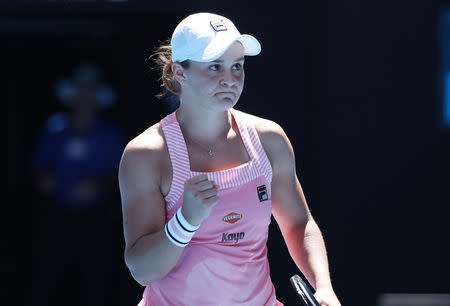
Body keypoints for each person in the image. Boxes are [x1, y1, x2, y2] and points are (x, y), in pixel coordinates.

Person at [119, 12, 341, 306]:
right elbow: (143, 270)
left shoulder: (269, 139)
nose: (230, 79)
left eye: (237, 66)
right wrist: (185, 222)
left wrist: (323, 287)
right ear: (179, 72)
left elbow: (299, 223)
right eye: (214, 67)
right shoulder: (146, 154)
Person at [31, 62, 126, 305]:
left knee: (95, 281)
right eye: (80, 90)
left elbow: (124, 177)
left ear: (98, 97)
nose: (85, 96)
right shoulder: (55, 128)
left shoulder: (111, 134)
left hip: (97, 219)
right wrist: (43, 179)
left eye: (90, 91)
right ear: (72, 95)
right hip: (58, 215)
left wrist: (98, 184)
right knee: (47, 277)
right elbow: (39, 166)